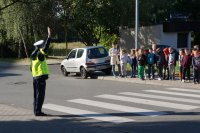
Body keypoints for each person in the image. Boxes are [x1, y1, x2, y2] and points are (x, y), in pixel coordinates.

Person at [30, 27, 51, 116]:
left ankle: (36, 111)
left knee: (36, 95)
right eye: (42, 45)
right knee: (40, 95)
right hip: (40, 78)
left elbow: (31, 68)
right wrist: (49, 37)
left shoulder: (33, 55)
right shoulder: (40, 54)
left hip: (35, 78)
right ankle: (38, 112)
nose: (43, 46)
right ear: (40, 46)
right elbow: (46, 47)